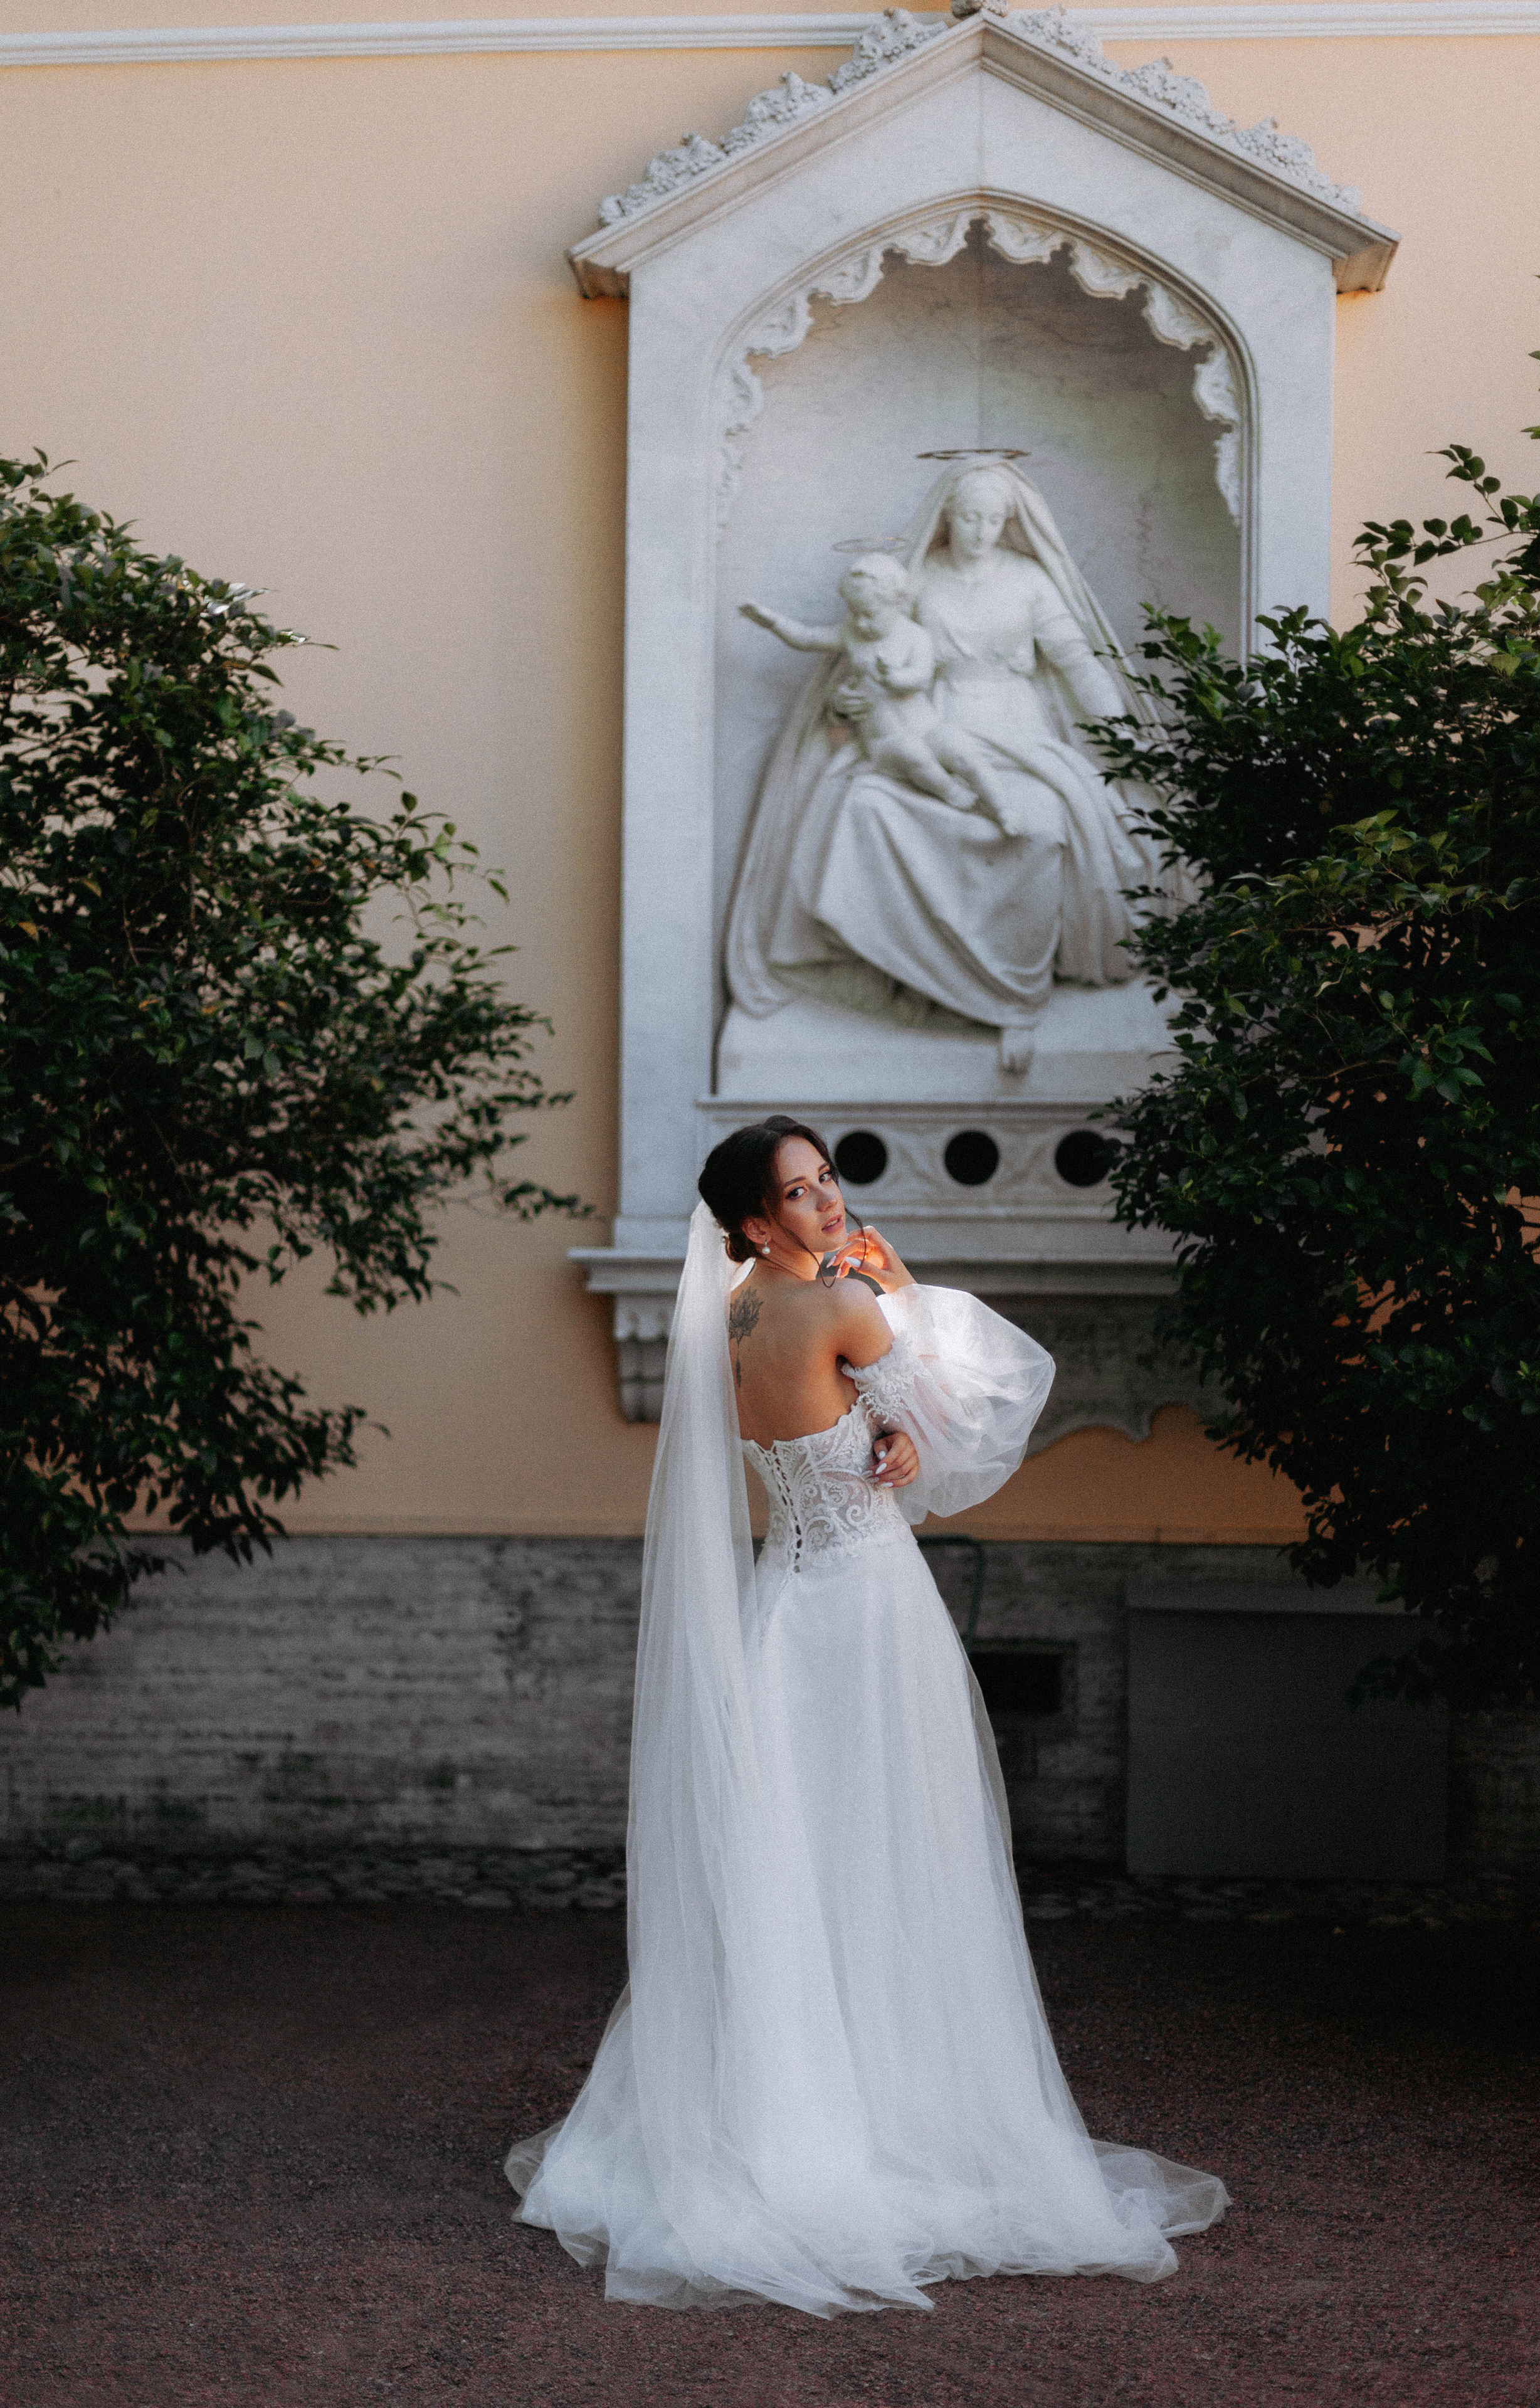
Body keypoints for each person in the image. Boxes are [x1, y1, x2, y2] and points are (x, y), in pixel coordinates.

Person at [505, 1117, 1228, 2315]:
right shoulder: (838, 1305)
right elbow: (976, 1419)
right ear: (752, 1222)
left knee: (794, 1868)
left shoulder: (726, 1313)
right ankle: (901, 2121)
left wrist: (874, 1419)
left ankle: (788, 2101)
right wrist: (891, 1293)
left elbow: (838, 1426)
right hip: (866, 1610)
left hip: (781, 1607)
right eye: (800, 1193)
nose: (828, 1203)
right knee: (897, 1858)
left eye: (827, 1179)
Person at [727, 460, 1186, 1075]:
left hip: (1015, 727)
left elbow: (1077, 663)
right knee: (866, 805)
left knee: (1040, 828)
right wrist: (847, 702)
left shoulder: (1029, 581)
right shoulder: (917, 578)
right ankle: (917, 978)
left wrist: (1130, 741)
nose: (981, 529)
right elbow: (868, 651)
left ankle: (1016, 1000)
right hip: (931, 720)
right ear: (948, 515)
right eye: (970, 516)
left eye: (994, 518)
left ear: (1009, 522)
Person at [739, 552, 1014, 828]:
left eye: (869, 615)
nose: (860, 623)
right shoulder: (851, 634)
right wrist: (773, 622)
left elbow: (921, 678)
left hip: (927, 728)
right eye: (854, 614)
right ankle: (954, 795)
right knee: (912, 752)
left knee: (959, 746)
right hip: (886, 741)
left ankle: (1002, 806)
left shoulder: (915, 637)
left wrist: (894, 678)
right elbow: (808, 638)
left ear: (896, 603)